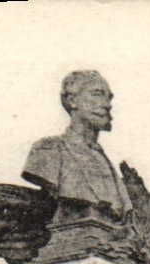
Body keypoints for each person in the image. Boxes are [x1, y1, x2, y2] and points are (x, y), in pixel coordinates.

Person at [22, 70, 131, 216]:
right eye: (97, 94)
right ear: (72, 101)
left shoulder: (106, 162)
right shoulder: (48, 151)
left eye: (108, 98)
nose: (107, 105)